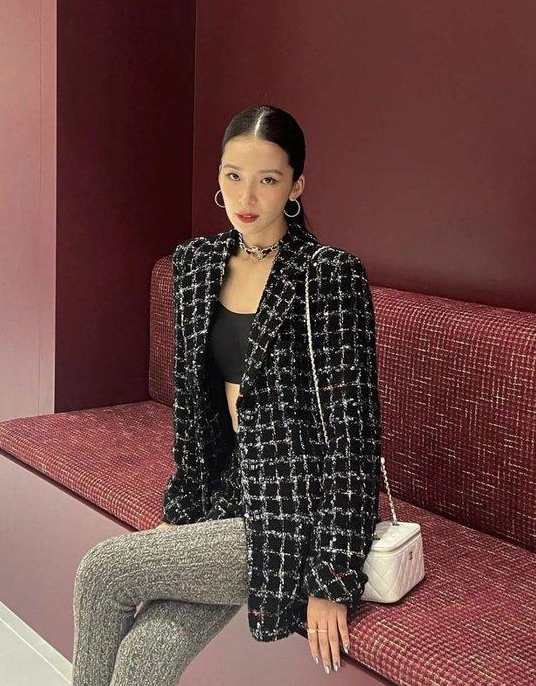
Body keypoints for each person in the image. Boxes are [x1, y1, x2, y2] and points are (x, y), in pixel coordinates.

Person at [71, 104, 382, 685]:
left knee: (102, 572)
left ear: (296, 186)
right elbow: (195, 414)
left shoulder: (327, 275)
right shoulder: (195, 265)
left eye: (268, 179)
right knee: (145, 657)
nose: (247, 196)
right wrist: (182, 516)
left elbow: (354, 437)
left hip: (294, 513)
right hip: (224, 498)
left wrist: (333, 579)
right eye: (234, 175)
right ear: (218, 174)